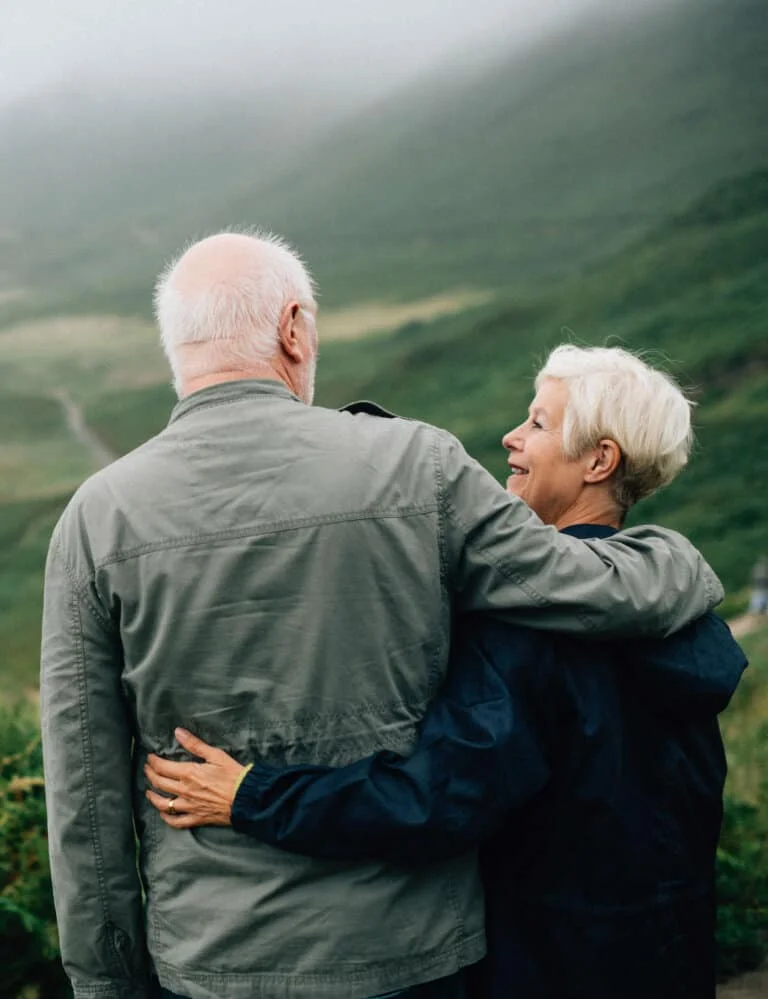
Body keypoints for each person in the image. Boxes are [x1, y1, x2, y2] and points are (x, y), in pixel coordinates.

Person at [41, 230, 722, 999]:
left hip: (210, 959)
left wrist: (106, 982)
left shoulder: (94, 520)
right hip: (417, 955)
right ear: (292, 328)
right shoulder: (419, 465)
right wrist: (679, 560)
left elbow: (84, 797)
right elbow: (585, 586)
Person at [145, 346, 747, 999]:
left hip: (550, 968)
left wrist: (252, 795)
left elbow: (434, 802)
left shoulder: (530, 631)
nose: (511, 437)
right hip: (670, 956)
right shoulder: (682, 616)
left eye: (539, 424)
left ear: (599, 461)